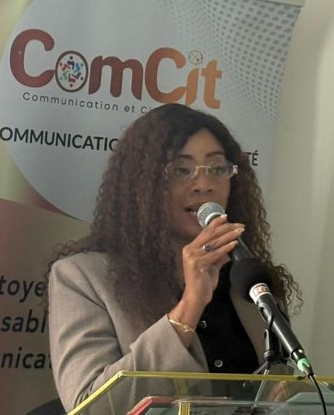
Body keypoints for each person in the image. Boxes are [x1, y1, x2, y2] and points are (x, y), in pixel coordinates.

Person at [47, 103, 300, 413]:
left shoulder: (250, 281)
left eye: (217, 168)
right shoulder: (82, 278)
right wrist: (190, 305)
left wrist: (288, 396)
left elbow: (280, 387)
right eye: (181, 170)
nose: (204, 185)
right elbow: (90, 407)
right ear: (143, 184)